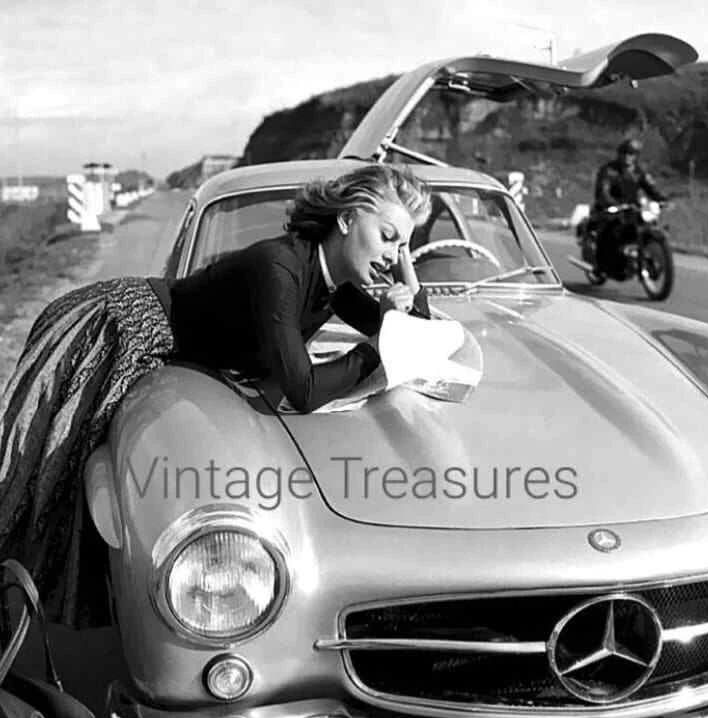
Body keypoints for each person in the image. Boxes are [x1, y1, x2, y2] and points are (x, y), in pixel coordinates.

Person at [0, 163, 432, 628]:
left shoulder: (336, 288)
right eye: (389, 236)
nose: (394, 254)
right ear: (346, 219)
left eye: (404, 244)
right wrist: (375, 348)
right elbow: (304, 390)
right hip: (118, 326)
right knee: (43, 470)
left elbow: (425, 339)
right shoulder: (279, 266)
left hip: (156, 344)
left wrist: (407, 282)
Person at [592, 138, 667, 276]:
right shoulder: (608, 170)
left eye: (632, 154)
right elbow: (603, 191)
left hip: (632, 209)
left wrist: (661, 199)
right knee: (609, 232)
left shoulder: (639, 171)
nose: (628, 157)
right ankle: (600, 265)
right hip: (610, 209)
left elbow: (650, 188)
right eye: (625, 153)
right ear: (619, 154)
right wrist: (613, 204)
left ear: (636, 156)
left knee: (646, 225)